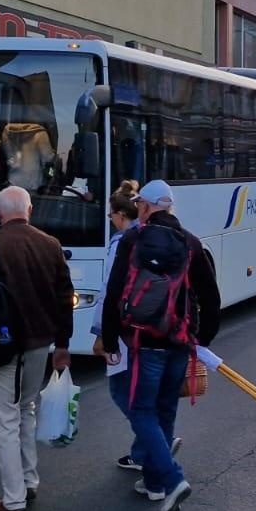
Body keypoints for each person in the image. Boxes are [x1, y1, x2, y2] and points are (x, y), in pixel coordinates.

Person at [101, 179, 221, 511]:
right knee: (165, 410)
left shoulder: (133, 239)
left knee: (141, 411)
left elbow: (115, 292)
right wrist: (202, 341)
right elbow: (211, 299)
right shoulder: (191, 243)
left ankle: (172, 478)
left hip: (144, 343)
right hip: (179, 343)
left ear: (145, 207)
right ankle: (154, 484)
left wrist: (110, 340)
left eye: (140, 205)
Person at [0, 187, 74, 511]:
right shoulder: (50, 244)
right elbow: (64, 296)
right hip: (39, 343)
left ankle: (14, 499)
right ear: (30, 210)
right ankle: (29, 480)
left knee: (4, 418)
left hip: (1, 344)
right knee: (26, 407)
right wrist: (63, 345)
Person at [90, 182, 155, 471]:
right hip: (142, 326)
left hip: (121, 330)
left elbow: (109, 290)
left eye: (110, 216)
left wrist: (102, 333)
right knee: (137, 389)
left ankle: (153, 442)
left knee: (120, 390)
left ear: (119, 215)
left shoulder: (121, 242)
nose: (110, 221)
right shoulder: (144, 237)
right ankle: (146, 447)